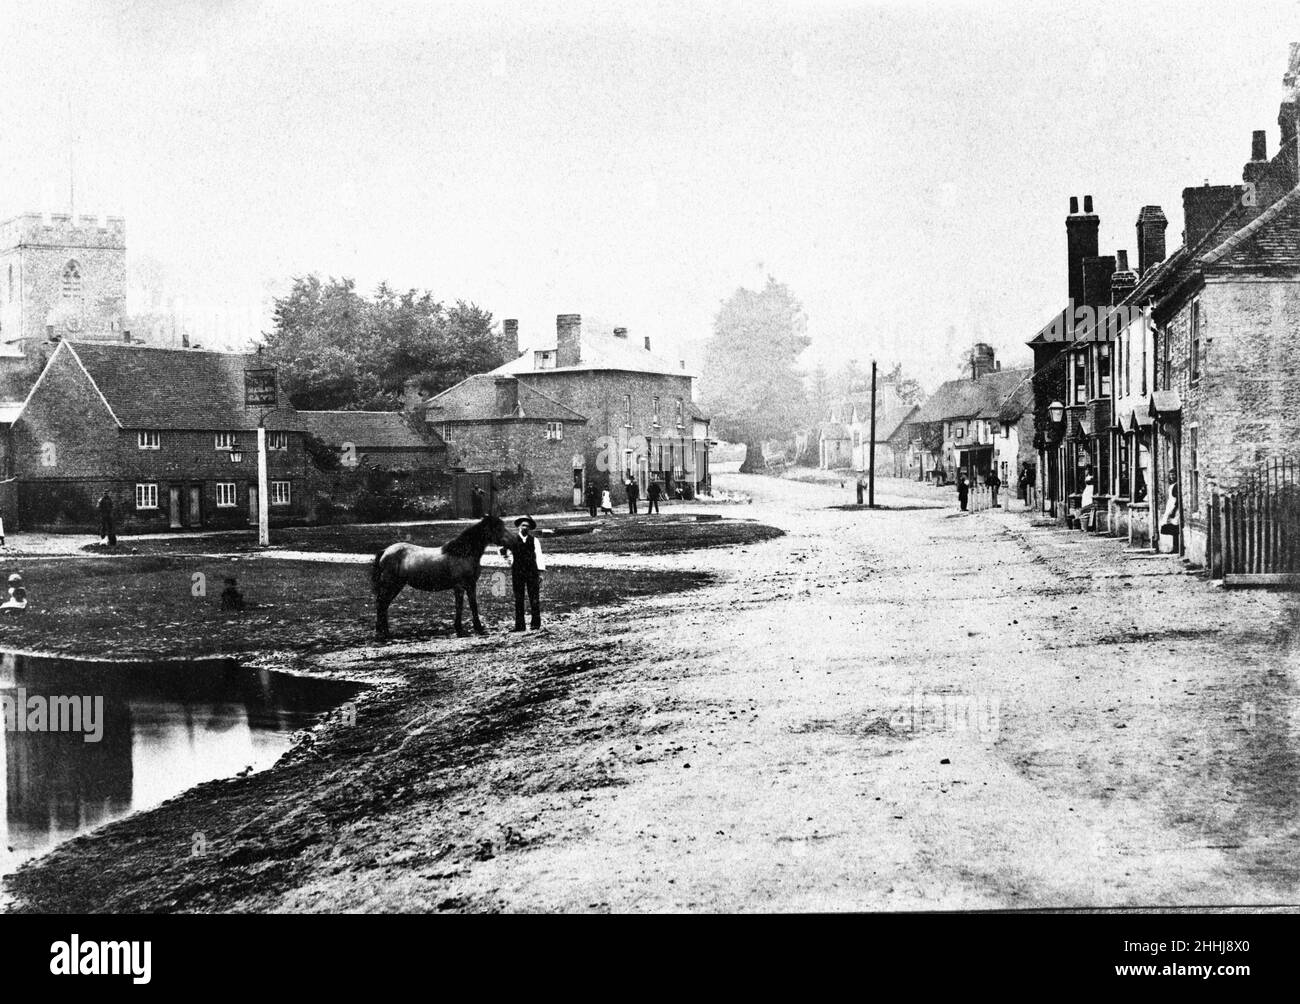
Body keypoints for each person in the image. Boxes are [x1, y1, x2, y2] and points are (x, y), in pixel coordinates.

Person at [500, 515, 544, 631]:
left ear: (530, 529)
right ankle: (520, 626)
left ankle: (535, 624)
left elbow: (539, 556)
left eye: (527, 526)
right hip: (518, 572)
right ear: (519, 526)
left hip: (532, 572)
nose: (525, 528)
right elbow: (504, 553)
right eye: (523, 525)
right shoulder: (512, 540)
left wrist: (540, 573)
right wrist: (510, 562)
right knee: (519, 598)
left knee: (534, 598)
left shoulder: (534, 541)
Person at [1159, 472, 1180, 551]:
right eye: (1170, 475)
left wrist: (1174, 510)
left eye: (1173, 474)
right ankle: (1174, 547)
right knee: (1171, 526)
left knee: (1175, 525)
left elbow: (1177, 499)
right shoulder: (1172, 485)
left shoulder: (1176, 485)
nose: (1172, 476)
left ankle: (1177, 547)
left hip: (1174, 507)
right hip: (1170, 505)